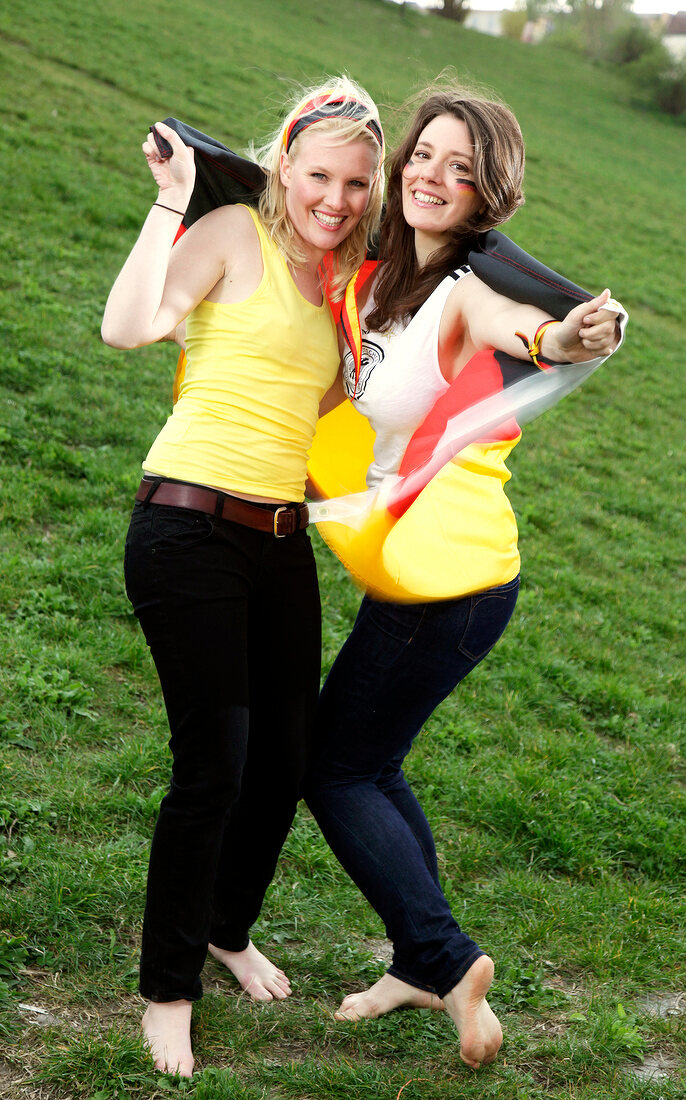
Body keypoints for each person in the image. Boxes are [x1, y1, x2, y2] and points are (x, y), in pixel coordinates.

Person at [304, 84, 624, 1070]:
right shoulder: (383, 275)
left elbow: (527, 328)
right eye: (424, 155)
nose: (432, 176)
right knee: (374, 759)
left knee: (333, 766)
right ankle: (418, 959)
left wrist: (564, 338)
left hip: (443, 582)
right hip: (431, 568)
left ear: (489, 194)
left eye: (461, 167)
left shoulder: (464, 290)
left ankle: (444, 959)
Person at [101, 77, 384, 1077]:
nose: (335, 198)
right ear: (284, 164)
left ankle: (226, 925)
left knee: (284, 757)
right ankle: (165, 990)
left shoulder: (352, 285)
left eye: (356, 182)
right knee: (214, 765)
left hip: (278, 539)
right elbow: (128, 326)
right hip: (185, 527)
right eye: (318, 174)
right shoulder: (229, 233)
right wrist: (171, 201)